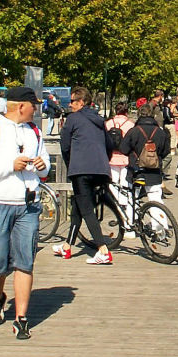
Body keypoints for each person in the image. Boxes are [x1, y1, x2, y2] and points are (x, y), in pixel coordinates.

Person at [0, 86, 49, 340]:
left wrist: (41, 165)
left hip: (28, 204)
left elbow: (44, 165)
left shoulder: (34, 131)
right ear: (21, 106)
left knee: (25, 261)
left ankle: (21, 319)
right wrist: (9, 166)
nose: (36, 110)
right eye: (33, 105)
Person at [56, 87, 115, 265]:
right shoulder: (99, 120)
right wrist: (105, 160)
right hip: (100, 168)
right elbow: (109, 144)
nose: (70, 104)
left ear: (81, 102)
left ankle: (102, 250)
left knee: (87, 209)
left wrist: (70, 163)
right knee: (78, 205)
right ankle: (67, 246)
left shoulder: (73, 119)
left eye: (73, 101)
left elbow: (65, 146)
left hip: (81, 169)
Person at [119, 102, 171, 211]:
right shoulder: (160, 132)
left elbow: (123, 149)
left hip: (136, 170)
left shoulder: (134, 131)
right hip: (154, 170)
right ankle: (159, 226)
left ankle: (132, 225)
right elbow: (166, 151)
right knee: (156, 199)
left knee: (132, 199)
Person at [105, 99, 136, 223]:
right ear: (126, 111)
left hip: (112, 157)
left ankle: (116, 206)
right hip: (125, 158)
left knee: (113, 184)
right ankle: (125, 207)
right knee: (125, 184)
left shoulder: (108, 123)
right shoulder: (131, 124)